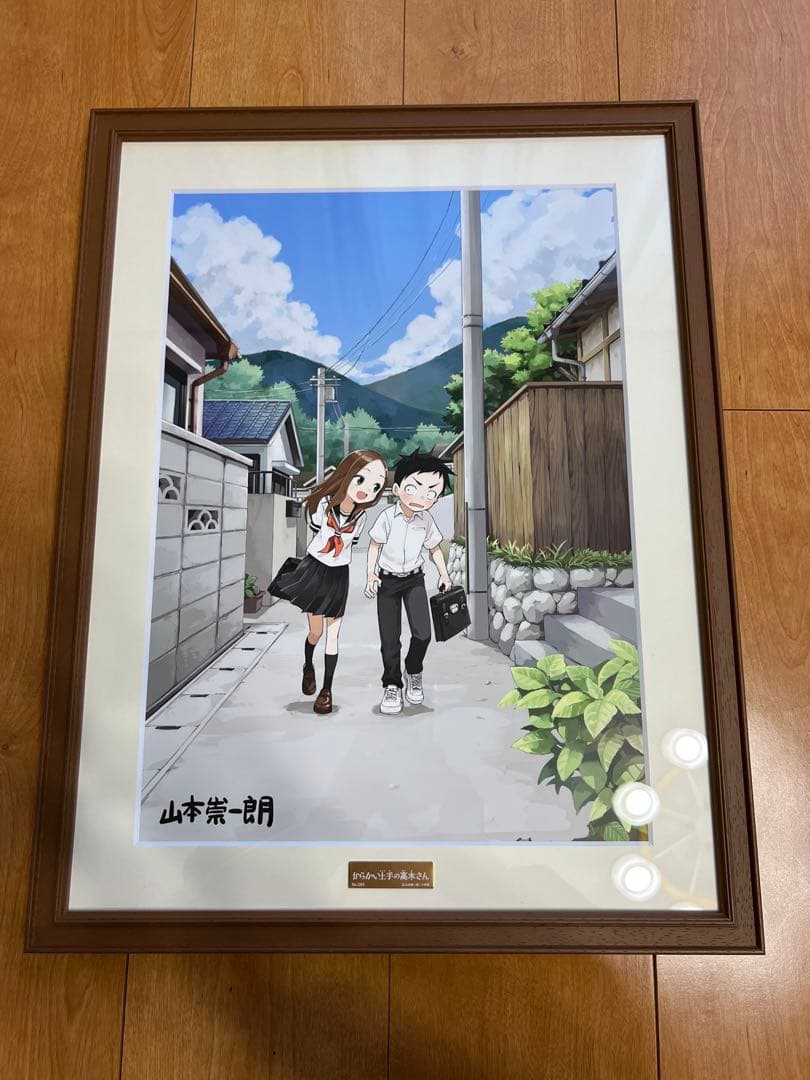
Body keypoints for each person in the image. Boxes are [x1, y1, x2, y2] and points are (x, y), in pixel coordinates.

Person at [271, 449, 387, 714]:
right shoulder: (322, 506)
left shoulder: (361, 517)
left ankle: (326, 691)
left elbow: (349, 544)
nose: (366, 490)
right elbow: (318, 534)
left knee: (333, 636)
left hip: (338, 575)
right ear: (347, 475)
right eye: (361, 480)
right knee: (316, 633)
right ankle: (308, 665)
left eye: (375, 486)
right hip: (315, 569)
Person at [364, 451, 453, 715]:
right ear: (397, 489)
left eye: (431, 492)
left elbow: (434, 548)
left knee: (423, 634)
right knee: (390, 639)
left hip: (414, 579)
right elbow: (374, 545)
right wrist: (370, 574)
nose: (422, 497)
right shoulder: (387, 518)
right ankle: (392, 685)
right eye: (414, 488)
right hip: (388, 582)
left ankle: (413, 670)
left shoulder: (426, 520)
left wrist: (444, 574)